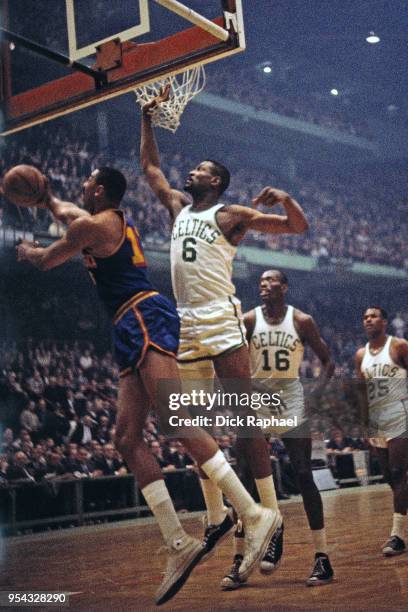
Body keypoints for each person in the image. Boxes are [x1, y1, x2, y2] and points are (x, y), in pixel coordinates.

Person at [16, 166, 279, 605]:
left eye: (87, 184)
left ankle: (253, 513)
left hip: (143, 313)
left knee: (176, 417)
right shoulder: (97, 221)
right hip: (126, 323)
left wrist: (25, 250)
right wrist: (45, 201)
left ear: (98, 191)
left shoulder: (95, 224)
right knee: (125, 438)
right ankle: (178, 541)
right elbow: (67, 211)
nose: (80, 188)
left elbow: (47, 259)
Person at [140, 91, 308, 585]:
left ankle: (271, 518)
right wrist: (145, 117)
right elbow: (150, 168)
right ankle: (220, 517)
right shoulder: (176, 206)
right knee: (189, 424)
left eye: (198, 170)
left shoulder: (232, 215)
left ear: (215, 181)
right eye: (190, 169)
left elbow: (297, 228)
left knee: (243, 420)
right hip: (184, 321)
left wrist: (286, 198)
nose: (188, 173)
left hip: (219, 317)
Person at [228, 269, 334, 588]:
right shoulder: (247, 321)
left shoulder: (302, 321)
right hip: (258, 402)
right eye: (260, 281)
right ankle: (239, 559)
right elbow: (230, 361)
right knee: (243, 478)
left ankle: (322, 558)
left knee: (303, 475)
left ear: (284, 287)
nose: (263, 284)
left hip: (290, 401)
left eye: (271, 280)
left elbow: (327, 362)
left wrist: (315, 396)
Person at [355, 306, 408, 556]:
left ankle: (397, 536)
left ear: (385, 322)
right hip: (377, 420)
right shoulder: (360, 355)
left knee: (398, 472)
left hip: (400, 412)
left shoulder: (398, 346)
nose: (368, 320)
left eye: (373, 316)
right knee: (390, 477)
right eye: (365, 317)